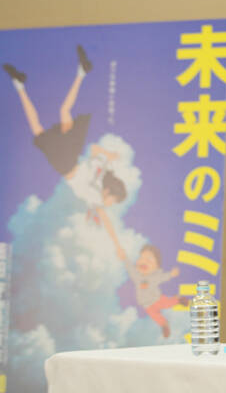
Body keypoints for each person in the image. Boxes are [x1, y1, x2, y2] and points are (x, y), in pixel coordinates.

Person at [4, 45, 127, 258]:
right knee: (51, 121)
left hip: (66, 159)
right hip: (68, 160)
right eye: (114, 201)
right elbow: (94, 148)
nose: (111, 204)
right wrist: (109, 155)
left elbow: (105, 222)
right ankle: (78, 72)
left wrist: (117, 246)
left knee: (43, 126)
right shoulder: (100, 185)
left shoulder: (96, 198)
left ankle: (21, 84)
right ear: (110, 192)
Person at [119, 244, 189, 338]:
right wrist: (124, 258)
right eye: (141, 258)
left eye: (149, 260)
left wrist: (171, 274)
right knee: (156, 316)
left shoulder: (154, 277)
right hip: (147, 305)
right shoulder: (137, 276)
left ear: (156, 266)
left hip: (157, 299)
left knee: (168, 303)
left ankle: (178, 299)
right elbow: (130, 268)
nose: (144, 262)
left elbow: (163, 277)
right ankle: (164, 325)